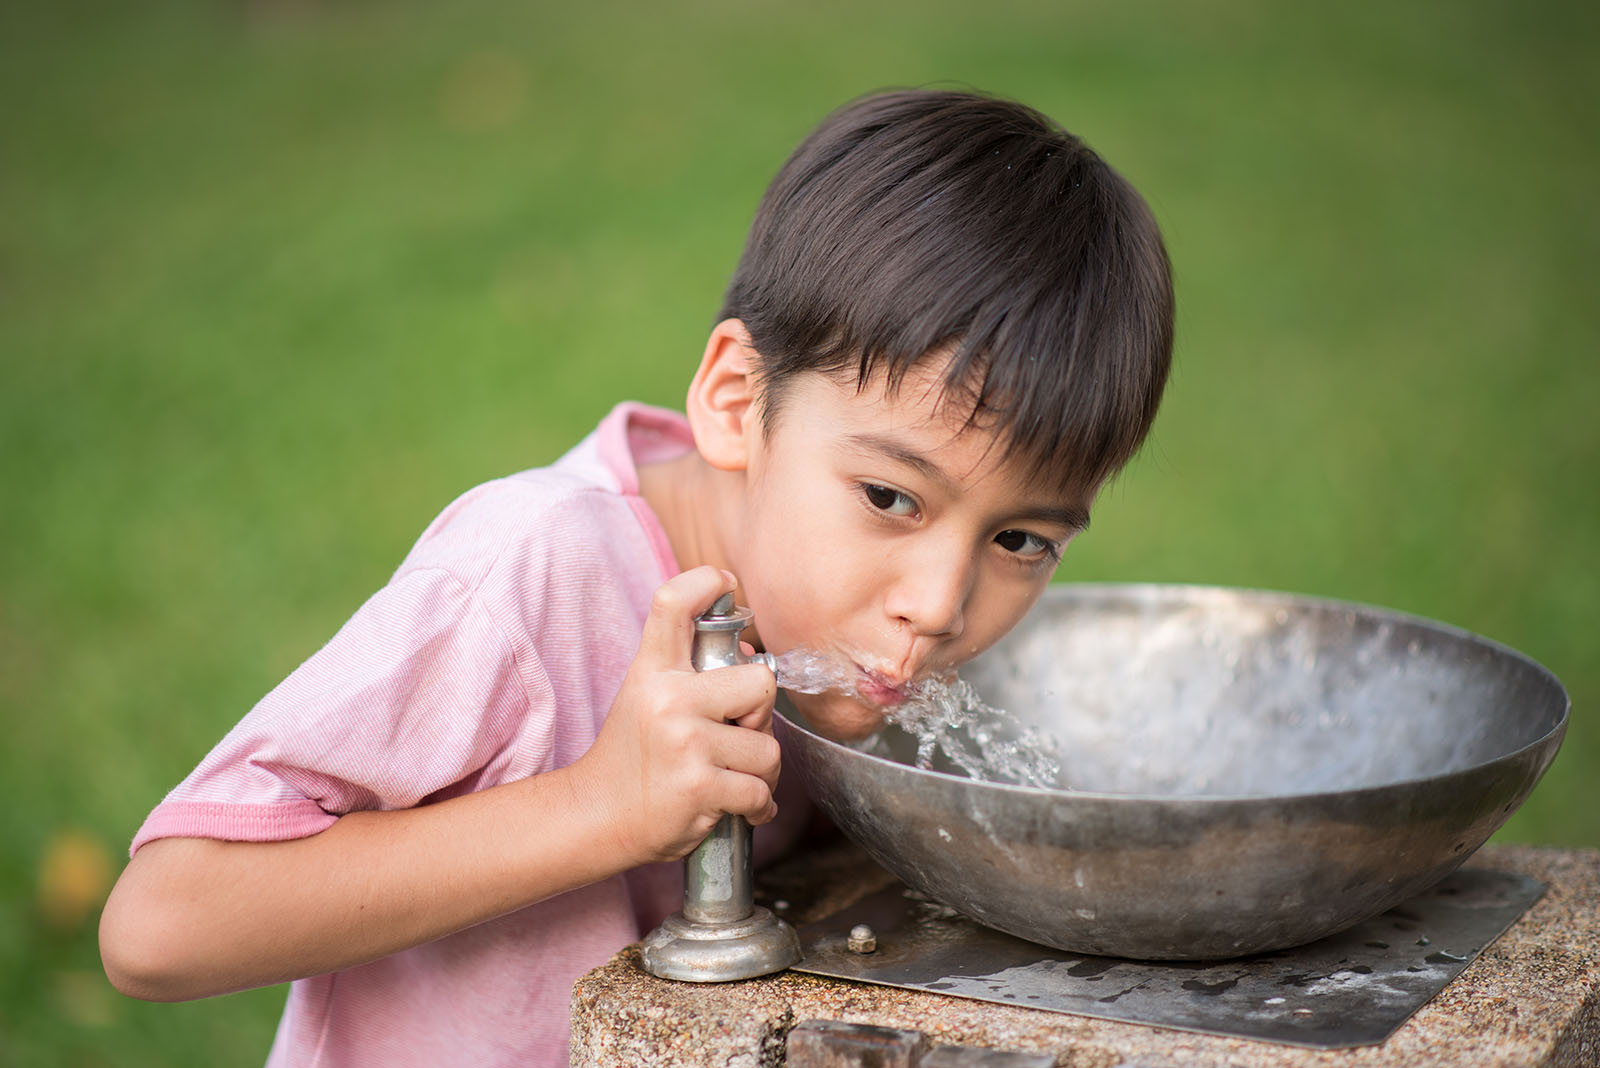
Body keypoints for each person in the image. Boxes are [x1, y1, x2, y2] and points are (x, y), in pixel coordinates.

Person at [99, 87, 1174, 1066]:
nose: (938, 605)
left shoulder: (833, 627)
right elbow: (162, 927)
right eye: (889, 499)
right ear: (735, 399)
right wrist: (597, 809)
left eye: (1020, 541)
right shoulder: (536, 570)